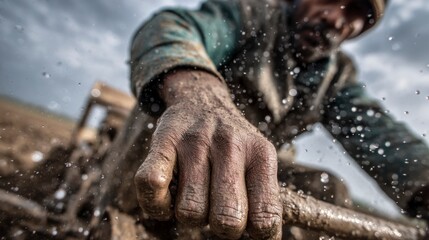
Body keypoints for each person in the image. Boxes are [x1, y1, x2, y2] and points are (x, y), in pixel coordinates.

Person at [129, 0, 429, 238]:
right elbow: (171, 26)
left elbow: (383, 137)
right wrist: (201, 97)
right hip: (160, 166)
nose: (335, 19)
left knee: (326, 188)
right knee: (163, 150)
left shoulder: (335, 78)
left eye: (355, 11)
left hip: (233, 187)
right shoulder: (253, 14)